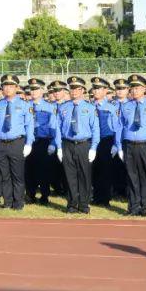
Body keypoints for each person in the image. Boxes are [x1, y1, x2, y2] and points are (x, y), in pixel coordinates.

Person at [117, 74, 146, 216]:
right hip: (129, 145)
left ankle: (144, 206)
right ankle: (133, 206)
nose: (135, 91)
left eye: (138, 88)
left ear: (144, 89)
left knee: (145, 176)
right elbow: (120, 127)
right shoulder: (125, 107)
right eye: (133, 88)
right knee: (131, 177)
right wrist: (119, 147)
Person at [54, 75, 100, 213]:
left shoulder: (90, 108)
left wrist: (93, 148)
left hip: (84, 144)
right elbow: (58, 128)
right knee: (70, 176)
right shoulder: (63, 107)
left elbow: (95, 129)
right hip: (67, 144)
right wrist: (59, 147)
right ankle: (72, 204)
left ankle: (84, 205)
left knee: (84, 176)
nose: (74, 91)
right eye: (72, 88)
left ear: (83, 90)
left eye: (77, 88)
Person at [0, 74, 34, 210]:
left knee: (17, 174)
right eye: (5, 86)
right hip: (1, 143)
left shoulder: (24, 105)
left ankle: (18, 202)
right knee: (4, 175)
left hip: (16, 143)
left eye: (10, 86)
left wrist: (29, 143)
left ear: (16, 87)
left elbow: (29, 125)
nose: (7, 89)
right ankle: (7, 202)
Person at [26, 78, 58, 204]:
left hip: (43, 142)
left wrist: (53, 144)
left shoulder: (49, 107)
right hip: (28, 142)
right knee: (29, 170)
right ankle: (30, 195)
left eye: (36, 89)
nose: (33, 92)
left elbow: (54, 127)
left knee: (44, 170)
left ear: (42, 90)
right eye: (31, 89)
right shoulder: (25, 106)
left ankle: (44, 195)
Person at [90, 77, 120, 206]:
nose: (95, 91)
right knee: (93, 170)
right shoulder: (89, 106)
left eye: (98, 88)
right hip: (91, 142)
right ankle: (95, 197)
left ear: (105, 90)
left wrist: (115, 144)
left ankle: (105, 198)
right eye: (94, 88)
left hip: (106, 141)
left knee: (105, 171)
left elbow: (117, 128)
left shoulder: (111, 107)